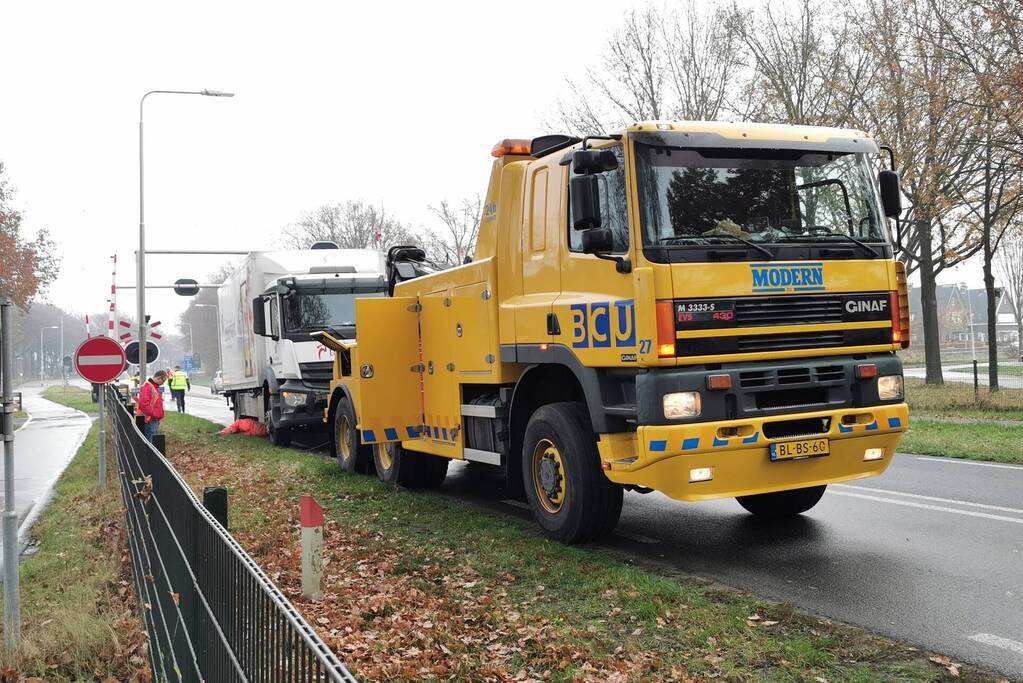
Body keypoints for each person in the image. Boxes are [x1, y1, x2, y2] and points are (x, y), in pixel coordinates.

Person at [137, 370, 167, 443]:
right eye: (163, 380)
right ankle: (147, 454)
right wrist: (154, 414)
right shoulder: (148, 386)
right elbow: (143, 404)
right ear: (159, 378)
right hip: (150, 419)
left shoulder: (153, 387)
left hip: (152, 419)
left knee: (152, 442)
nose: (163, 383)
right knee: (150, 443)